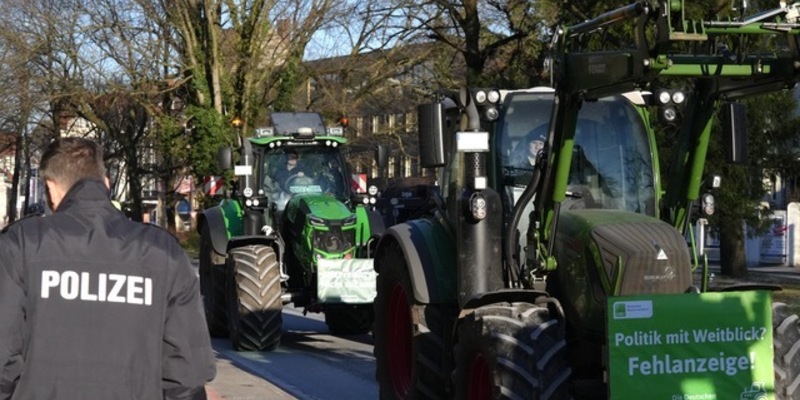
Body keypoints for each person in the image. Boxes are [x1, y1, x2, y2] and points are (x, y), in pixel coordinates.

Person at [0, 137, 215, 399]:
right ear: (106, 184)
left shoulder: (21, 245)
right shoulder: (164, 253)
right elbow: (186, 376)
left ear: (50, 189)